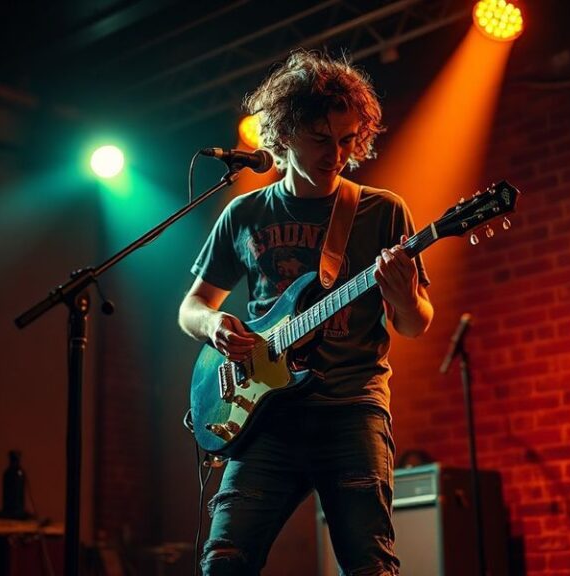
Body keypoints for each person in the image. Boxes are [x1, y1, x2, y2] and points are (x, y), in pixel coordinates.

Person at [178, 49, 433, 576]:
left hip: (351, 408)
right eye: (321, 139)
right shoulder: (244, 213)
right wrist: (215, 325)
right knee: (223, 561)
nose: (335, 154)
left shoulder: (382, 211)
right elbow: (192, 307)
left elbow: (414, 323)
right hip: (262, 414)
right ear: (284, 131)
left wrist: (404, 292)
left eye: (346, 140)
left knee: (369, 565)